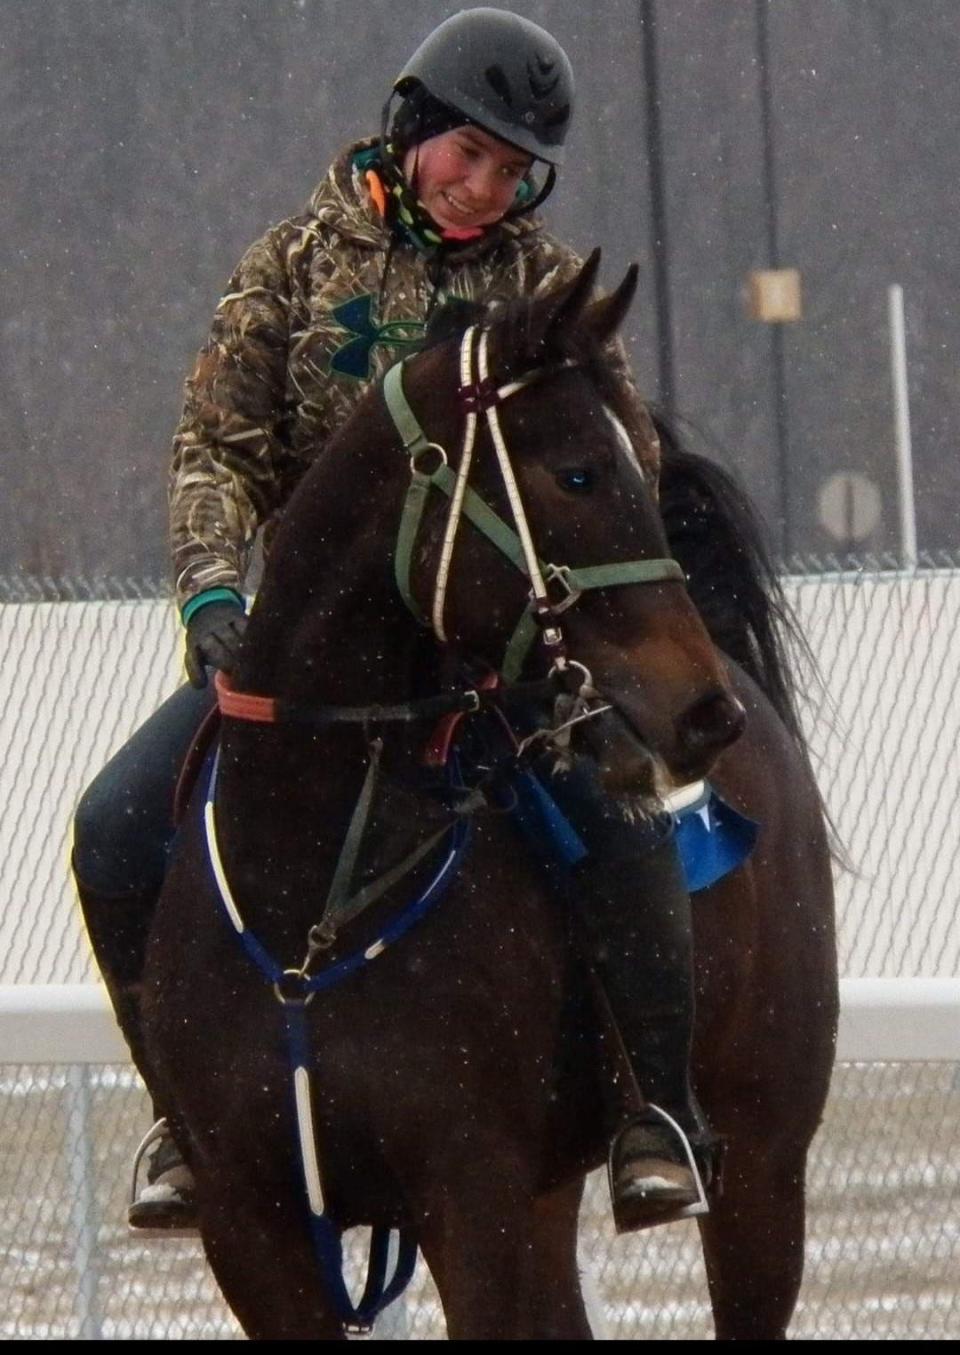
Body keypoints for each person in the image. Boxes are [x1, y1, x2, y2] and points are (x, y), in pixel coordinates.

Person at [72, 6, 712, 1237]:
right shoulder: (293, 264)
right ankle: (181, 1114)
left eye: (513, 171)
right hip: (306, 656)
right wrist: (213, 590)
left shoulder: (537, 287)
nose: (485, 188)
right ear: (412, 130)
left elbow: (617, 452)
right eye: (470, 154)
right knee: (108, 825)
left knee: (626, 821)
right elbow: (217, 446)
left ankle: (657, 1108)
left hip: (496, 657)